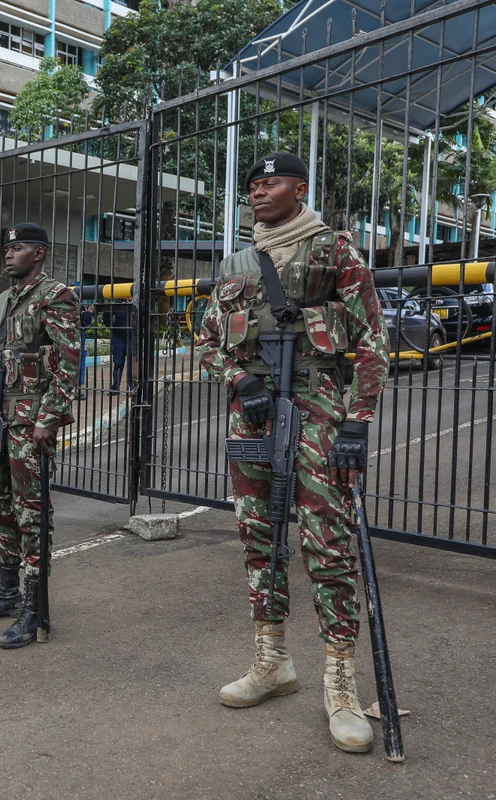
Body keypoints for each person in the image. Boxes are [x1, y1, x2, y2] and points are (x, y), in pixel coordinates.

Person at [194, 152, 390, 754]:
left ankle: (340, 683)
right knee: (258, 534)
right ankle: (271, 661)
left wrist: (356, 422)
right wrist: (238, 380)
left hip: (318, 406)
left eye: (270, 182)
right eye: (251, 185)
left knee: (325, 540)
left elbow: (372, 341)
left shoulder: (335, 251)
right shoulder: (235, 261)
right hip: (252, 413)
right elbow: (205, 338)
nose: (257, 191)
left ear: (299, 188)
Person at [0, 224, 80, 648]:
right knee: (3, 506)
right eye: (6, 248)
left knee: (33, 514)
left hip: (31, 423)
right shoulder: (3, 302)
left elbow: (68, 365)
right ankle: (7, 591)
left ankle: (34, 609)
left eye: (17, 248)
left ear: (40, 254)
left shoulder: (56, 296)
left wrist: (48, 419)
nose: (8, 254)